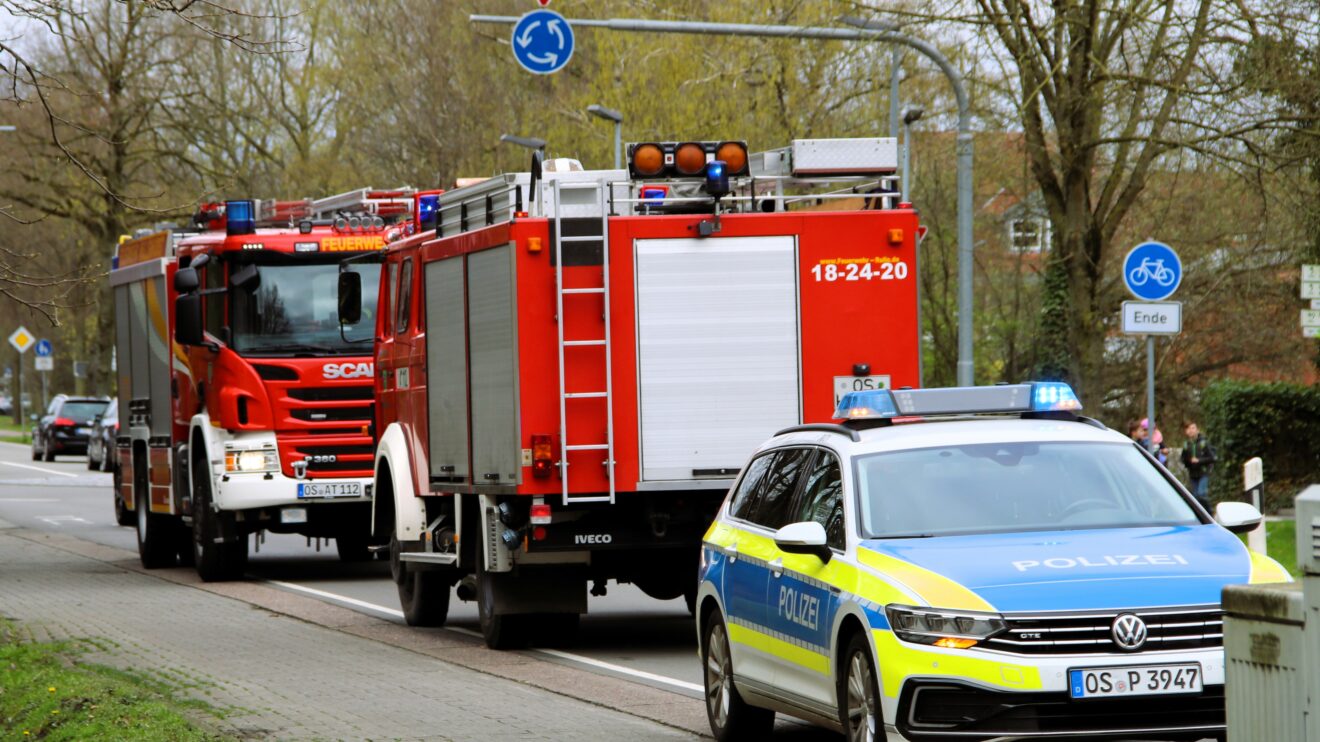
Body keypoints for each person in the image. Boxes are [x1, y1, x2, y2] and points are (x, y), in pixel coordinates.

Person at [1181, 420, 1217, 509]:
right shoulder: (1186, 445)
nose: (1191, 430)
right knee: (1195, 497)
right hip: (1193, 474)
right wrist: (1188, 461)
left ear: (1197, 430)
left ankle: (1209, 512)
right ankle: (1200, 516)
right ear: (1186, 432)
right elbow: (1183, 459)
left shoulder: (1204, 443)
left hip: (1203, 473)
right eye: (1189, 428)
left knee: (1202, 494)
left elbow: (1212, 458)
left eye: (1193, 428)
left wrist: (1199, 460)